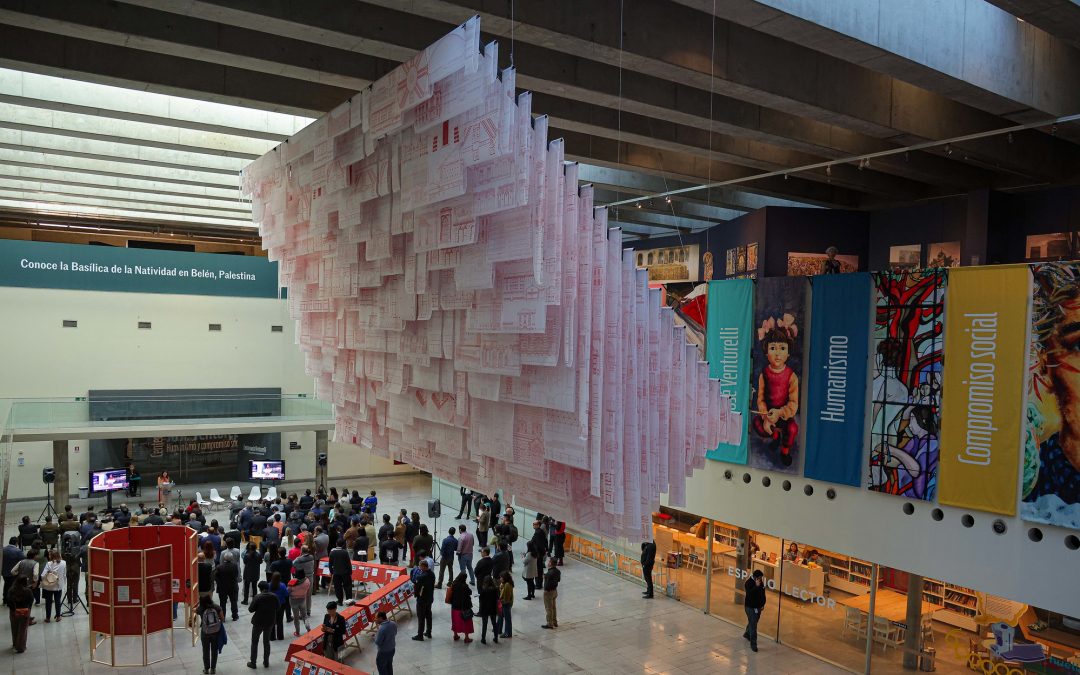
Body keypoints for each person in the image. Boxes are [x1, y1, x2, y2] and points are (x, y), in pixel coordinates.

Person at [247, 580, 277, 669]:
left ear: (260, 589)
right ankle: (266, 661)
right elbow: (278, 607)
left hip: (258, 622)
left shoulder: (257, 597)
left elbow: (250, 609)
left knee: (254, 642)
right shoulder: (274, 596)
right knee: (266, 642)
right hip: (270, 622)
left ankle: (253, 662)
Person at [6, 576, 33, 653]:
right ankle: (21, 647)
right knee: (22, 630)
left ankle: (15, 644)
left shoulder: (11, 590)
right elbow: (31, 600)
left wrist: (13, 609)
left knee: (14, 628)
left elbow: (8, 601)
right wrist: (28, 609)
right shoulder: (28, 591)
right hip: (25, 612)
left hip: (13, 612)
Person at [199, 594, 224, 674]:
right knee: (214, 651)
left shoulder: (201, 608)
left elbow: (193, 610)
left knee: (205, 651)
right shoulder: (216, 607)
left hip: (205, 633)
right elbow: (222, 618)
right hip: (215, 632)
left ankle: (206, 669)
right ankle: (213, 669)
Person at [39, 549, 66, 623]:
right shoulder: (64, 563)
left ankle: (48, 618)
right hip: (58, 585)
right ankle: (58, 616)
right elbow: (64, 575)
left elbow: (42, 575)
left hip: (49, 586)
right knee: (58, 601)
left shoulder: (48, 564)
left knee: (48, 602)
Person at [411, 559, 435, 641]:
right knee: (428, 615)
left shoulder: (420, 577)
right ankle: (428, 632)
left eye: (420, 566)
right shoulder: (432, 574)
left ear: (423, 566)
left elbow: (417, 587)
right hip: (430, 598)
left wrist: (416, 595)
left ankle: (420, 635)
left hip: (422, 599)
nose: (419, 567)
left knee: (421, 617)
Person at [743, 569, 766, 652]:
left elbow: (763, 594)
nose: (761, 579)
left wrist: (763, 604)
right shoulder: (748, 583)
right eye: (759, 578)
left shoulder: (761, 583)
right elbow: (749, 594)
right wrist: (756, 586)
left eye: (761, 578)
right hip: (750, 607)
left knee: (753, 622)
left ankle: (747, 633)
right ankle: (753, 644)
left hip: (758, 607)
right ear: (755, 577)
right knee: (754, 625)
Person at [449, 573, 474, 643]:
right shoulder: (464, 586)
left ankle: (455, 635)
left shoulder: (454, 584)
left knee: (455, 621)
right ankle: (466, 638)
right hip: (463, 607)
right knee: (466, 622)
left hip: (454, 606)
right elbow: (470, 592)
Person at [214, 553, 240, 621]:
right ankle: (235, 616)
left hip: (222, 587)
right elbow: (236, 575)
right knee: (233, 602)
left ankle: (223, 617)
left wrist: (219, 582)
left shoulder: (219, 567)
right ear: (231, 558)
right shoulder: (234, 566)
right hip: (232, 586)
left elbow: (215, 577)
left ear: (224, 558)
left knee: (222, 603)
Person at [328, 539, 352, 605]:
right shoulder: (345, 552)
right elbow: (348, 563)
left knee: (338, 587)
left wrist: (331, 571)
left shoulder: (332, 552)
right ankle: (349, 600)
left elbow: (330, 563)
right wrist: (350, 571)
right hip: (345, 572)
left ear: (336, 544)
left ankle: (340, 600)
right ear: (343, 544)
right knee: (347, 586)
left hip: (336, 572)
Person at [2, 537, 25, 605]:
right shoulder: (18, 551)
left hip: (4, 572)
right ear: (16, 543)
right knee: (13, 586)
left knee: (6, 584)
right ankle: (11, 600)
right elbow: (22, 561)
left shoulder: (3, 550)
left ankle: (5, 599)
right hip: (14, 573)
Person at [477, 575, 499, 644]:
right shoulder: (495, 589)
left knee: (485, 624)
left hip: (485, 610)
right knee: (494, 623)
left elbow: (481, 600)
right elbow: (497, 598)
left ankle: (483, 639)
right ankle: (496, 638)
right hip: (493, 608)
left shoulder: (484, 590)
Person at [288, 569, 311, 636]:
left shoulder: (292, 582)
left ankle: (297, 632)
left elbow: (288, 591)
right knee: (305, 616)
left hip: (293, 601)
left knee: (296, 617)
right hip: (303, 599)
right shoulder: (307, 581)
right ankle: (308, 629)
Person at [373, 610, 396, 675]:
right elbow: (395, 633)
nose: (375, 620)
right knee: (389, 665)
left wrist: (375, 637)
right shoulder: (393, 623)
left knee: (382, 667)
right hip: (392, 649)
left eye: (376, 618)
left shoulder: (382, 628)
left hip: (383, 652)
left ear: (381, 618)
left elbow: (378, 642)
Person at [541, 557, 560, 629]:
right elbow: (558, 580)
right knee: (553, 607)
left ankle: (549, 623)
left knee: (548, 608)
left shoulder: (549, 573)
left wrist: (545, 590)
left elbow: (547, 584)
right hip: (555, 591)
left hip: (548, 592)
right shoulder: (557, 571)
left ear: (551, 564)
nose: (548, 563)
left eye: (549, 562)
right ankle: (555, 622)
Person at [496, 571, 514, 638]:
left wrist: (499, 601)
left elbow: (506, 598)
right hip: (505, 603)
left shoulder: (507, 585)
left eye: (501, 577)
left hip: (506, 604)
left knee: (507, 619)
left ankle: (508, 633)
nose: (500, 578)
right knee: (500, 616)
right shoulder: (504, 584)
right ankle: (498, 629)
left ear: (504, 578)